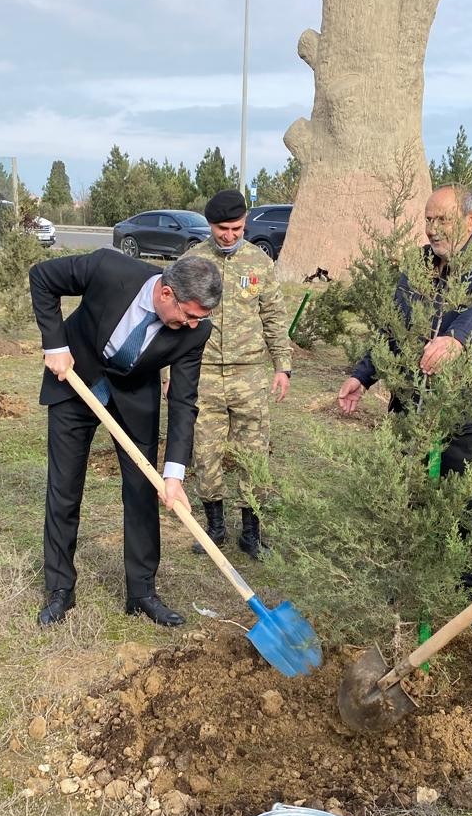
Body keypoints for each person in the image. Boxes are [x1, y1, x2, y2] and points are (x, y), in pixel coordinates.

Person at [31, 250, 221, 628]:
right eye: (188, 315)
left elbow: (183, 400)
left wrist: (174, 474)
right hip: (75, 380)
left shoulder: (196, 331)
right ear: (166, 294)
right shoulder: (108, 268)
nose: (192, 325)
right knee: (64, 488)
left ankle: (142, 592)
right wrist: (55, 345)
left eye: (200, 319)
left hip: (134, 398)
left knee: (141, 492)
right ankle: (60, 588)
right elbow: (42, 277)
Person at [337, 184, 472, 539]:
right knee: (407, 490)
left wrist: (456, 339)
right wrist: (363, 375)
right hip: (412, 401)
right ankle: (409, 556)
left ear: (470, 221)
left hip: (465, 410)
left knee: (464, 502)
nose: (432, 229)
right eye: (428, 220)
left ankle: (466, 569)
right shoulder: (419, 264)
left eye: (442, 220)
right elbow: (394, 326)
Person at [181, 189, 292, 559]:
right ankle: (214, 528)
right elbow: (174, 322)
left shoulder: (259, 262)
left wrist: (282, 366)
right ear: (210, 225)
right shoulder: (192, 261)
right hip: (204, 374)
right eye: (222, 229)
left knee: (253, 455)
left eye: (237, 228)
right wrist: (169, 373)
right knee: (205, 453)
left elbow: (273, 315)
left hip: (249, 375)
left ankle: (251, 533)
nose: (229, 236)